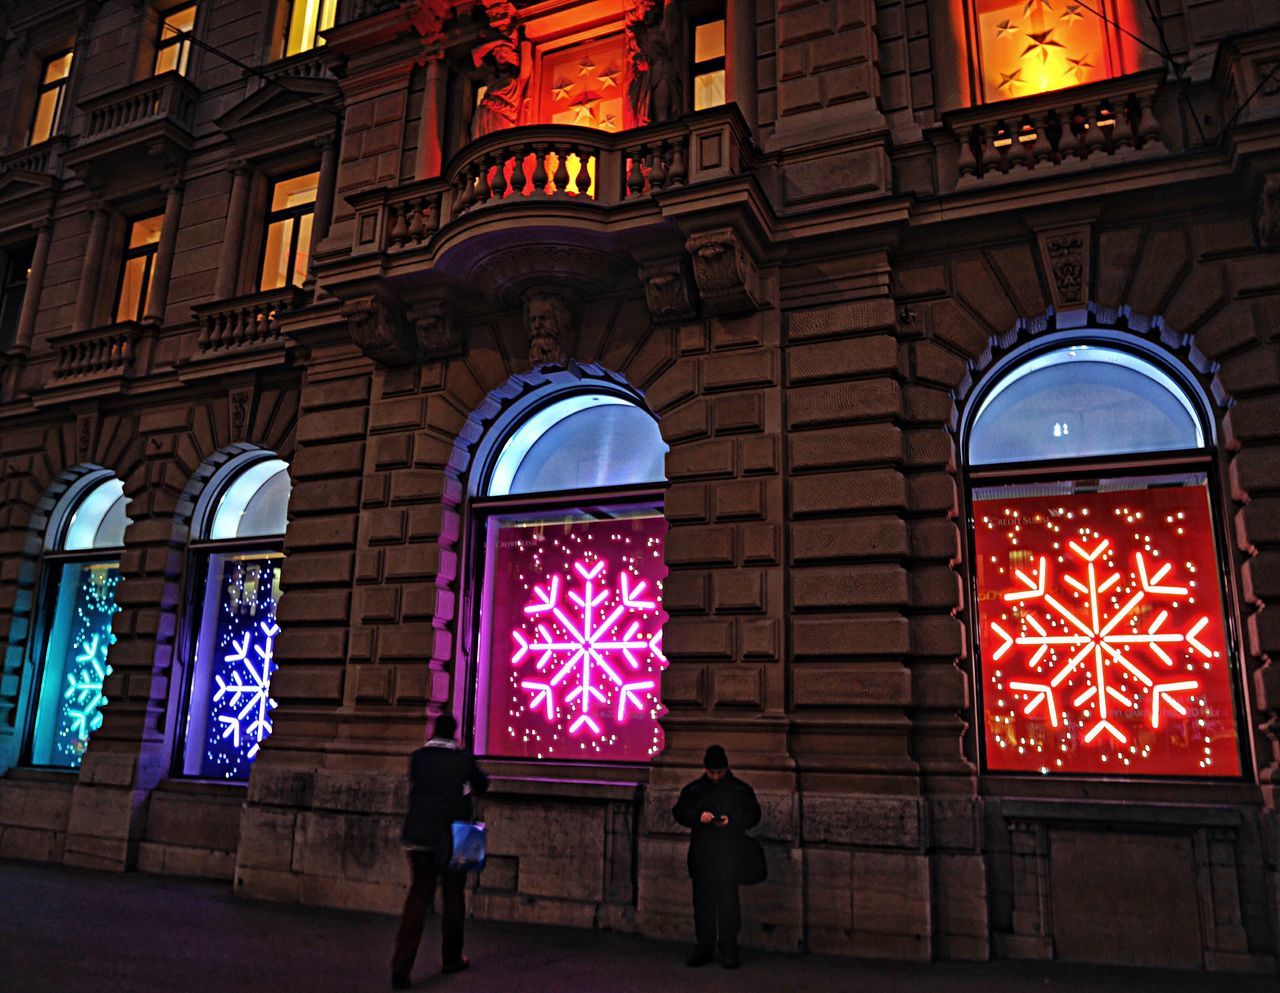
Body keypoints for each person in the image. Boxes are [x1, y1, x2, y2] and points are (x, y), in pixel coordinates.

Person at [391, 714, 489, 988]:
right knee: (454, 895)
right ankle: (451, 957)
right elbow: (482, 785)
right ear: (454, 734)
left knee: (418, 895)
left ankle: (401, 966)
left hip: (419, 835)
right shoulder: (463, 759)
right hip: (453, 835)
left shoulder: (418, 758)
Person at [672, 744, 761, 970]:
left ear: (725, 768)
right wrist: (698, 816)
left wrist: (731, 821)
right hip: (708, 855)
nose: (715, 776)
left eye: (718, 772)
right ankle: (707, 946)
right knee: (705, 904)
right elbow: (679, 811)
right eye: (712, 772)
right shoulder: (700, 789)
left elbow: (754, 814)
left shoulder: (735, 790)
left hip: (725, 855)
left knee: (727, 904)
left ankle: (727, 948)